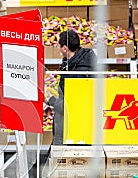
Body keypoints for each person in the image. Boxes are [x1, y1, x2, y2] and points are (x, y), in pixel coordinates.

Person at [41, 30, 97, 168]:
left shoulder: (78, 73)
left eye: (59, 46)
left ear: (65, 48)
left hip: (71, 122)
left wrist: (50, 100)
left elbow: (71, 106)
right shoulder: (74, 61)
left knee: (63, 150)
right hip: (72, 121)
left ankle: (50, 175)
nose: (58, 49)